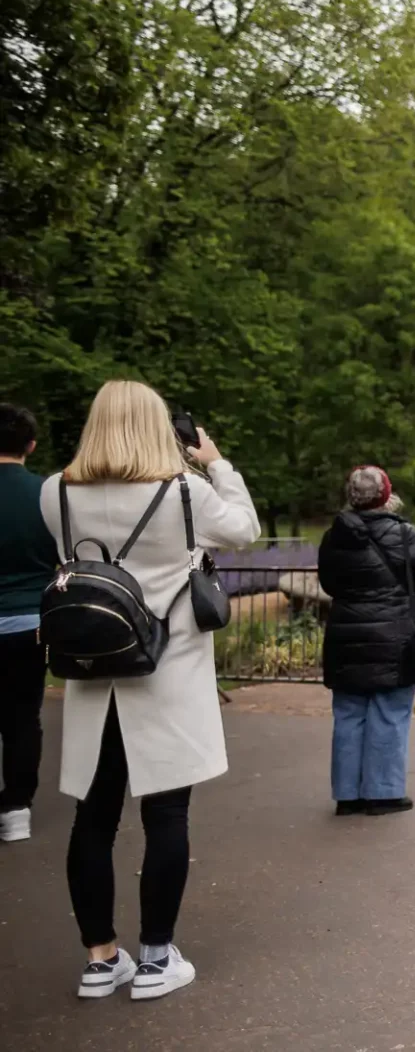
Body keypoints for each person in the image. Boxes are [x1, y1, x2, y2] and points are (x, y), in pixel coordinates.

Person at [40, 380, 259, 1000]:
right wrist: (215, 461)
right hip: (168, 669)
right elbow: (243, 529)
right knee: (166, 814)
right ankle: (158, 958)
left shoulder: (55, 492)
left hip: (93, 670)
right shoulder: (182, 491)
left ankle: (101, 959)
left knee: (93, 818)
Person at [318, 466, 415, 817]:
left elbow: (329, 584)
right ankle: (383, 793)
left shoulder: (332, 537)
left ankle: (347, 795)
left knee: (348, 714)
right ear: (386, 495)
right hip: (393, 637)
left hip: (346, 635)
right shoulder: (403, 535)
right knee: (389, 712)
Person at [0, 403, 59, 843]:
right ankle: (16, 807)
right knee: (23, 717)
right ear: (31, 445)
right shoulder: (47, 496)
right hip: (29, 622)